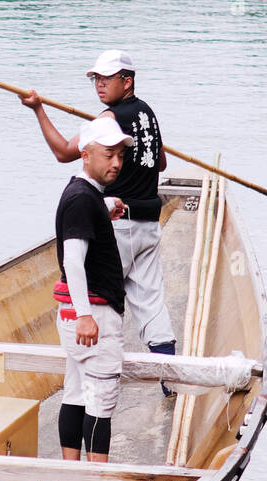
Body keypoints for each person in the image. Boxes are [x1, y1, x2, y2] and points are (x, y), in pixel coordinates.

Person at [22, 49, 177, 394]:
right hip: (149, 225)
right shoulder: (148, 115)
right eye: (96, 79)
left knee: (99, 301)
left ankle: (92, 383)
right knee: (151, 303)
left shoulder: (109, 120)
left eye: (107, 79)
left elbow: (65, 151)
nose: (100, 86)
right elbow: (162, 164)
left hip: (118, 223)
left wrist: (38, 109)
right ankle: (171, 381)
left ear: (128, 81)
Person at [54, 115, 147, 481]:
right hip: (92, 315)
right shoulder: (80, 201)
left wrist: (103, 206)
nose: (116, 163)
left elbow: (84, 217)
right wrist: (85, 315)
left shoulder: (84, 195)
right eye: (108, 154)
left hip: (74, 314)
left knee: (76, 393)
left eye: (120, 156)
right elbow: (74, 260)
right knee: (101, 398)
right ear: (86, 153)